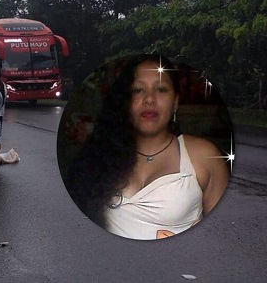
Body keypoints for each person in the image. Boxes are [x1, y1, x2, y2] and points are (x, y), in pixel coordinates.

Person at [65, 54, 230, 240]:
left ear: (175, 102)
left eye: (160, 89)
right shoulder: (102, 154)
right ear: (126, 101)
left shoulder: (204, 156)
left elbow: (225, 238)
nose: (149, 99)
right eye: (138, 90)